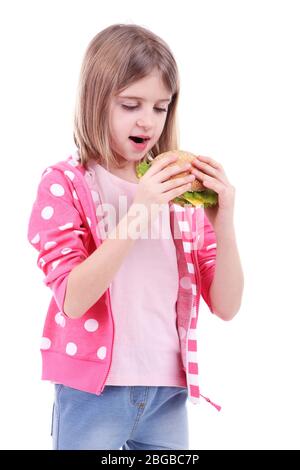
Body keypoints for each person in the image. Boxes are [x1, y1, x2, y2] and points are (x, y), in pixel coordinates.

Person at [27, 23, 244, 451]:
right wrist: (140, 209)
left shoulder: (178, 192)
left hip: (168, 391)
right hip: (93, 391)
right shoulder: (66, 183)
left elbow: (228, 305)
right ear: (95, 101)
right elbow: (72, 298)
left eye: (161, 107)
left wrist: (224, 219)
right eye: (131, 104)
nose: (148, 121)